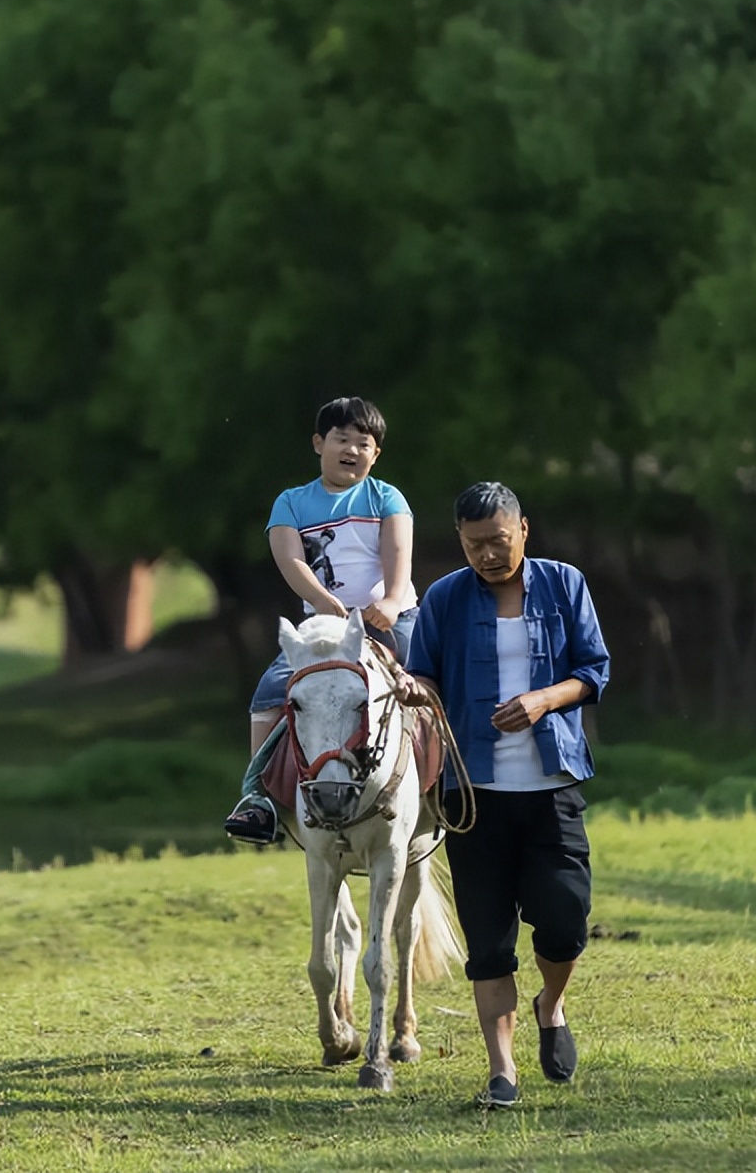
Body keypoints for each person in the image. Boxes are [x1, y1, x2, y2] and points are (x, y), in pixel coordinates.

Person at [396, 482, 610, 1109]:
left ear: (523, 530)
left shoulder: (564, 583)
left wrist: (544, 699)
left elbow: (594, 669)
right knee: (489, 939)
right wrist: (418, 693)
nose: (486, 555)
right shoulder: (445, 597)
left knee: (566, 921)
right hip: (474, 794)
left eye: (496, 541)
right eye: (472, 545)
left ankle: (552, 1005)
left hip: (552, 784)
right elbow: (425, 671)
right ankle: (502, 1071)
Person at [223, 396, 419, 845]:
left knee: (431, 677)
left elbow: (397, 553)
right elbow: (291, 561)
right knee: (270, 694)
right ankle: (258, 798)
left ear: (376, 454)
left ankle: (451, 782)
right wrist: (323, 601)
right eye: (341, 439)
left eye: (363, 443)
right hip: (325, 629)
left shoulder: (386, 497)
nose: (352, 449)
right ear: (318, 443)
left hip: (388, 620)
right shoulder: (291, 503)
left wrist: (389, 602)